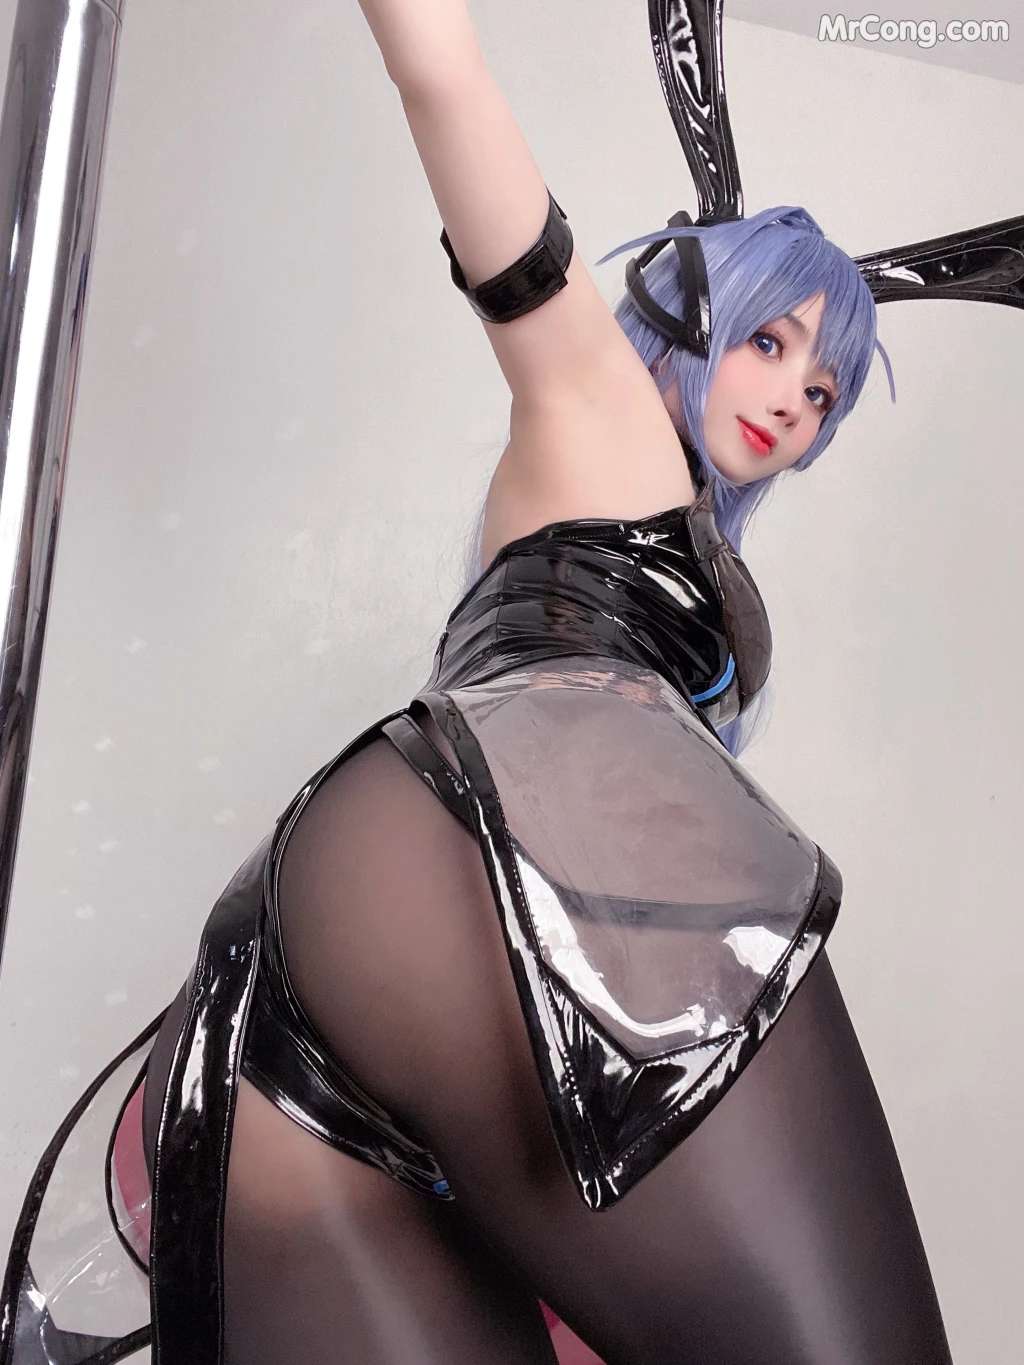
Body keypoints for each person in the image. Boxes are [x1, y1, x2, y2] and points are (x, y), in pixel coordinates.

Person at [7, 1, 994, 1361]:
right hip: (439, 883)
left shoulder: (613, 524)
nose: (791, 399)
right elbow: (446, 85)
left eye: (823, 389)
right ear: (685, 309)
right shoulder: (595, 402)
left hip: (324, 952)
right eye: (769, 341)